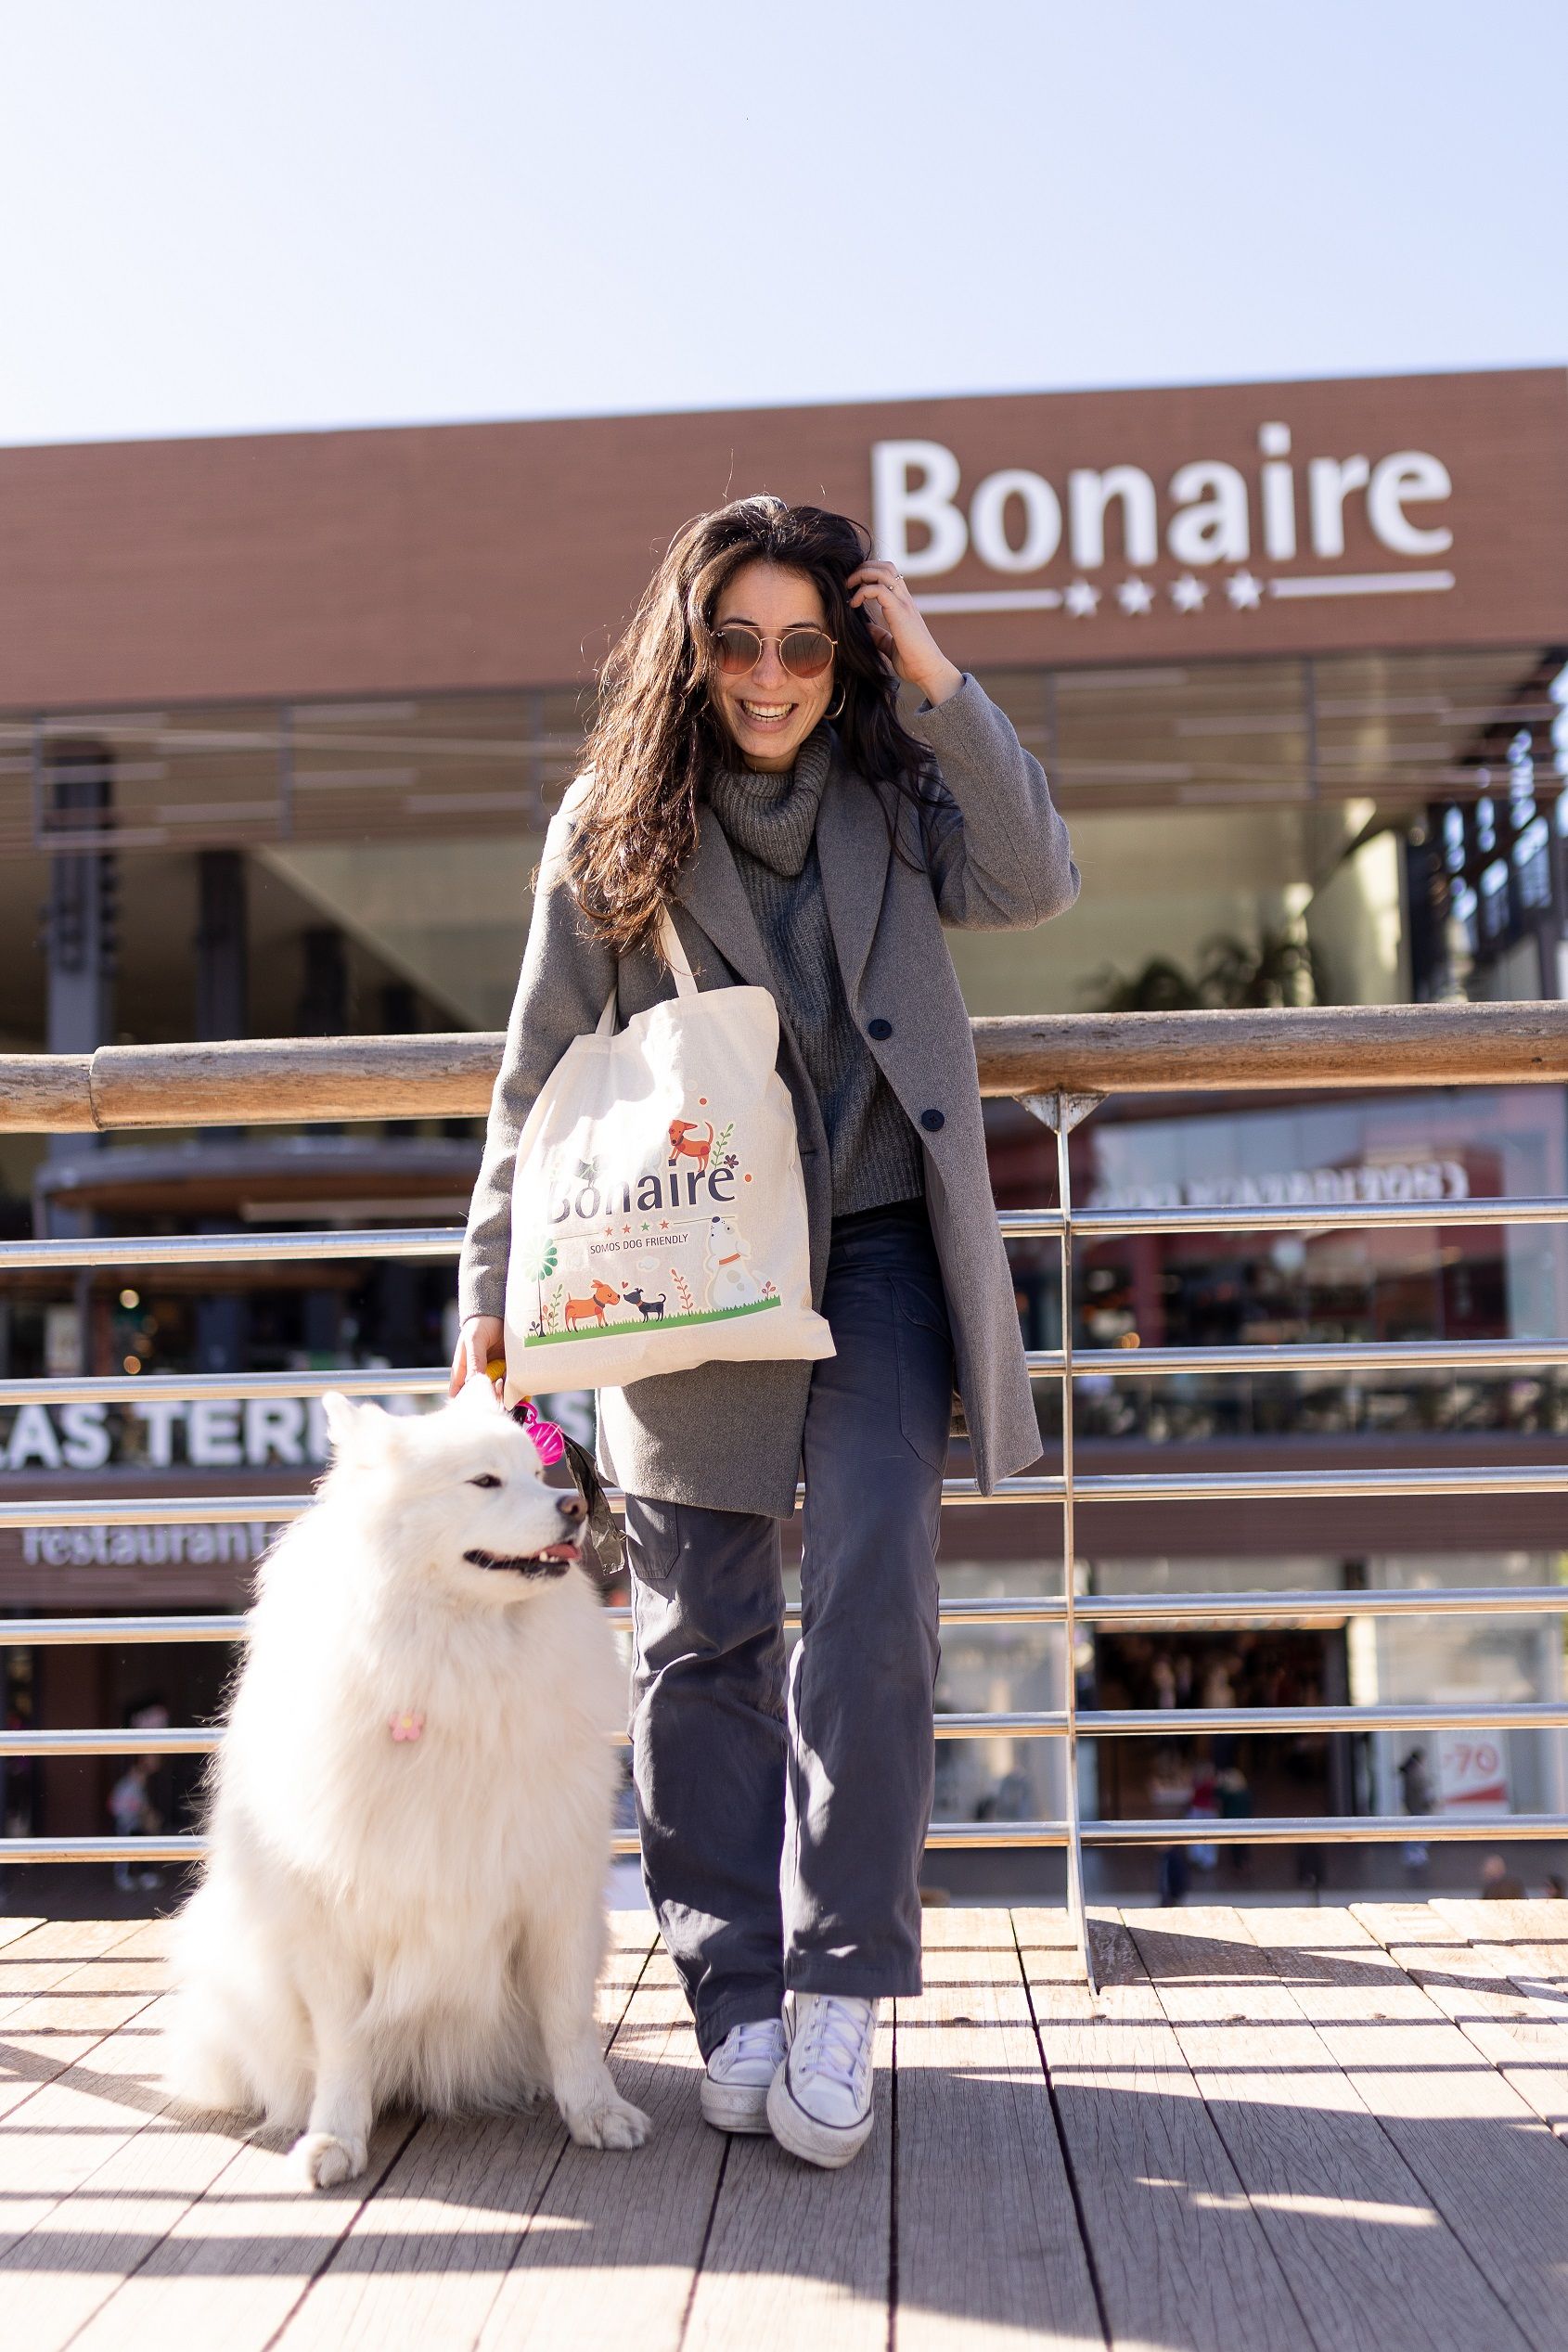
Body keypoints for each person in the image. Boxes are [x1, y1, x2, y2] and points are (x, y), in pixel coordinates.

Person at [451, 497, 1078, 2170]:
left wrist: (934, 677)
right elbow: (534, 1078)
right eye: (737, 640)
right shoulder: (617, 819)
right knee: (699, 1623)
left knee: (873, 1583)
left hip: (873, 1242)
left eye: (807, 643)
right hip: (684, 1260)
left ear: (843, 653)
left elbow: (1033, 878)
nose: (771, 675)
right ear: (689, 646)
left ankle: (844, 1980)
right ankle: (729, 1976)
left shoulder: (896, 788)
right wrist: (487, 1314)